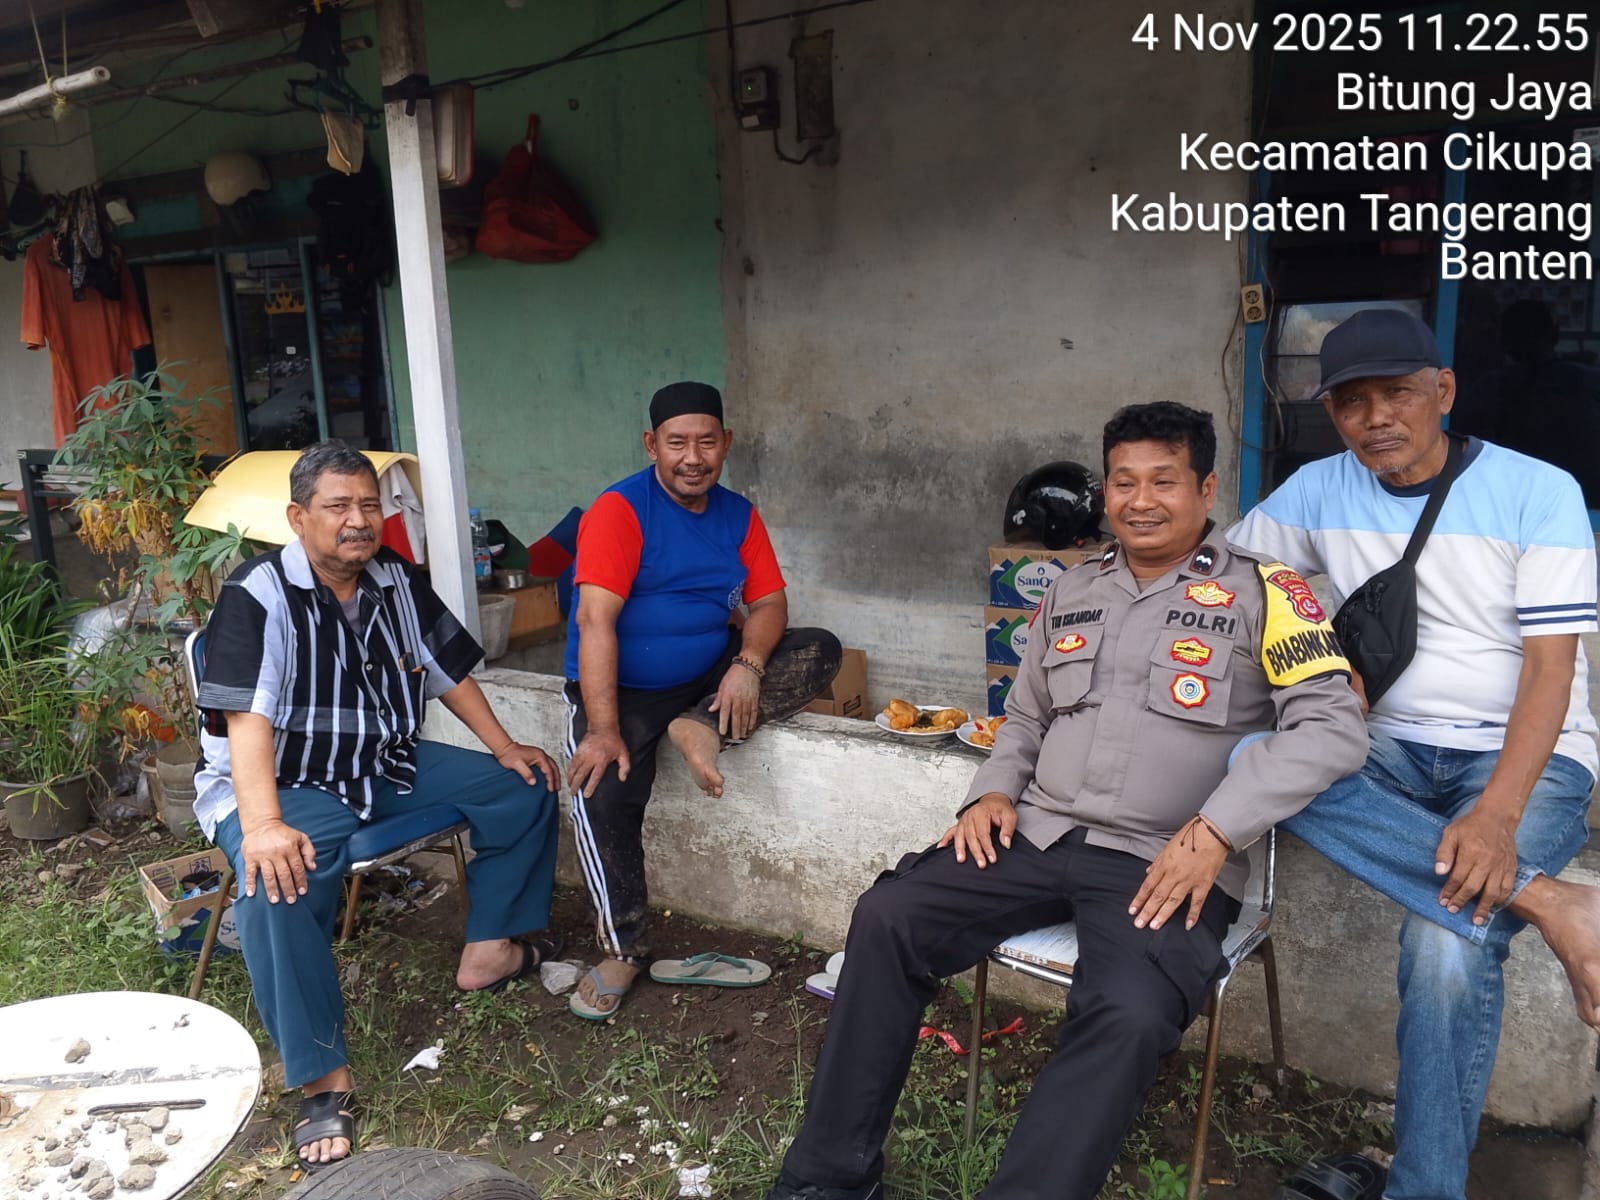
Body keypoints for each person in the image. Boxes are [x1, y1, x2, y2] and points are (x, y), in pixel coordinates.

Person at [765, 402, 1368, 1200]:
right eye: (1123, 482)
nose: (1140, 501)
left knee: (1130, 1008)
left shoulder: (1268, 592)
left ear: (1206, 488)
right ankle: (825, 1181)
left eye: (1163, 482)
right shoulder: (1072, 588)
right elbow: (1025, 717)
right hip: (1037, 834)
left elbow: (1333, 728)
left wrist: (1220, 829)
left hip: (1162, 860)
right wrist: (989, 793)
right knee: (889, 918)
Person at [1229, 308, 1600, 1200]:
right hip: (1386, 745)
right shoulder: (1317, 489)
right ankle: (1556, 902)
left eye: (1396, 393)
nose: (1375, 419)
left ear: (1444, 391)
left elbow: (1551, 670)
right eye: (1351, 403)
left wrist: (1497, 815)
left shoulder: (1537, 490)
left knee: (1445, 944)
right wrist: (1321, 669)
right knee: (1253, 755)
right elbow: (1232, 583)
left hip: (1525, 755)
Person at [193, 440, 564, 1170]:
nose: (358, 520)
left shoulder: (393, 577)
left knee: (522, 785)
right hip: (283, 780)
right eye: (338, 506)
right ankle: (321, 1079)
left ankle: (490, 950)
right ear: (298, 518)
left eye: (369, 505)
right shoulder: (256, 593)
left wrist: (504, 746)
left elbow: (446, 670)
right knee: (276, 879)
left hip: (381, 762)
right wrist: (263, 825)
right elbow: (247, 719)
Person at [562, 381, 842, 1020]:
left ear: (727, 444)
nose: (693, 457)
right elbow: (595, 621)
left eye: (707, 442)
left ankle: (699, 725)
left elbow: (769, 603)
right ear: (651, 445)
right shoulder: (619, 511)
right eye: (677, 443)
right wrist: (602, 726)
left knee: (818, 647)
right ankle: (623, 948)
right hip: (624, 688)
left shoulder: (739, 514)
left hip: (708, 673)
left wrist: (747, 666)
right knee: (602, 791)